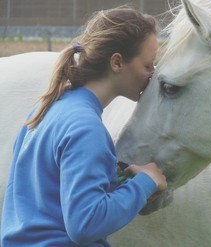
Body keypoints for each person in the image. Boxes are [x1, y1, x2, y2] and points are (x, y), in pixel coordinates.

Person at [1, 6, 167, 246]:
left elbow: (50, 198)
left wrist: (119, 182)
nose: (153, 75)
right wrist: (145, 183)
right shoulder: (86, 129)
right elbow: (85, 224)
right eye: (148, 65)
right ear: (117, 62)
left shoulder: (46, 110)